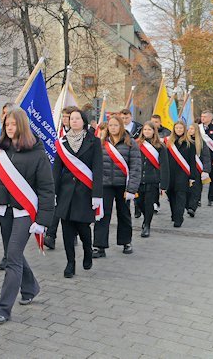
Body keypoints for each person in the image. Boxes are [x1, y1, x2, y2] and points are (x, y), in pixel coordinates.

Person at [0, 107, 54, 324]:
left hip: (24, 213)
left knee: (12, 258)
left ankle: (2, 308)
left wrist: (42, 221)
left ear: (21, 125)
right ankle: (30, 286)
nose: (9, 127)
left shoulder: (38, 154)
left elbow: (46, 189)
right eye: (7, 124)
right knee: (13, 254)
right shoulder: (0, 152)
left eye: (13, 124)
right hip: (4, 212)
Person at [53, 109, 103, 277]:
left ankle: (88, 251)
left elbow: (98, 169)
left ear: (83, 121)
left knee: (83, 229)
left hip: (85, 192)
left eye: (77, 118)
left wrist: (97, 194)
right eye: (71, 118)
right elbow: (56, 169)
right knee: (66, 230)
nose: (73, 121)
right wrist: (53, 191)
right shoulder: (62, 142)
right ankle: (70, 263)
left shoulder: (94, 141)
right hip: (66, 193)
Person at [94, 115, 141, 256]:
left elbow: (136, 167)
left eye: (116, 125)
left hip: (123, 185)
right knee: (102, 214)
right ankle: (99, 246)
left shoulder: (131, 143)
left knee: (124, 213)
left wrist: (131, 188)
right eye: (111, 125)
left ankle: (126, 242)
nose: (113, 128)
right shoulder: (102, 143)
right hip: (105, 184)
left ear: (121, 126)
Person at [44, 106, 76, 250]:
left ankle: (73, 233)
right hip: (57, 175)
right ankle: (51, 235)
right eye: (63, 116)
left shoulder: (81, 134)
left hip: (73, 177)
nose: (65, 119)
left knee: (70, 207)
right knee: (56, 205)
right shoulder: (56, 131)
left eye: (67, 117)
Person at [136, 122, 169, 237]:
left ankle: (147, 225)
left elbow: (164, 166)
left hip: (153, 180)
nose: (147, 132)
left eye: (149, 130)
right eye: (145, 129)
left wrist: (163, 185)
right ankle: (146, 218)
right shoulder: (137, 144)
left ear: (154, 131)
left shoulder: (160, 146)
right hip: (138, 180)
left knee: (149, 203)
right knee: (139, 203)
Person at [166, 121, 197, 228]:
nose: (179, 130)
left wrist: (192, 176)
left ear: (185, 130)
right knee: (171, 195)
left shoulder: (190, 143)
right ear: (174, 129)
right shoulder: (168, 142)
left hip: (183, 174)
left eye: (181, 128)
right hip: (170, 174)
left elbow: (193, 161)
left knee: (180, 196)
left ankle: (179, 218)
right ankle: (174, 214)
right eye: (177, 128)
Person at [187, 123, 211, 214]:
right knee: (188, 189)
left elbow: (206, 157)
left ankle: (193, 207)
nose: (190, 130)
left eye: (192, 129)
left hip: (198, 169)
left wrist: (206, 170)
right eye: (189, 128)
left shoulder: (201, 142)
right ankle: (188, 204)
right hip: (187, 168)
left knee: (196, 189)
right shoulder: (185, 141)